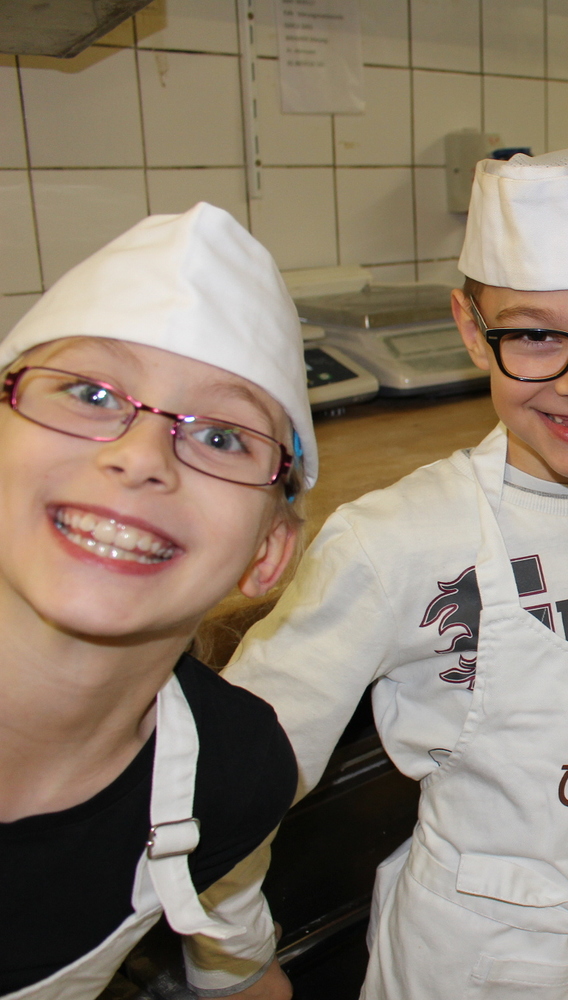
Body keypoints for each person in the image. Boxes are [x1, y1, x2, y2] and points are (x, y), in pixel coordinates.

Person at [189, 149, 568, 999]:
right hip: (469, 968)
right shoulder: (397, 541)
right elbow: (223, 776)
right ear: (472, 330)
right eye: (536, 335)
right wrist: (234, 962)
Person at [0, 204, 311, 1000]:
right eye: (89, 393)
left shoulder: (231, 773)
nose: (140, 457)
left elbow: (244, 978)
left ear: (269, 552)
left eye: (220, 437)